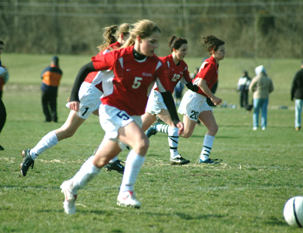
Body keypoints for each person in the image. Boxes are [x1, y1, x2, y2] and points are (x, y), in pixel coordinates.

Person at [59, 19, 184, 214]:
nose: (156, 46)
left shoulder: (156, 65)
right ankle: (125, 192)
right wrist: (75, 95)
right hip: (111, 110)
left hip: (132, 116)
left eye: (157, 42)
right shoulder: (118, 56)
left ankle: (71, 187)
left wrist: (175, 119)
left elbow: (166, 93)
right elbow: (86, 68)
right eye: (152, 41)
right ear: (139, 39)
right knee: (141, 143)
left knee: (100, 160)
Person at [20, 24, 131, 177]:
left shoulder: (123, 51)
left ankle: (111, 158)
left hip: (96, 94)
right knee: (68, 130)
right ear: (122, 36)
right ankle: (31, 154)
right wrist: (76, 95)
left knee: (120, 123)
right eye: (131, 37)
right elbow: (88, 70)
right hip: (92, 93)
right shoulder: (114, 51)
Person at [142, 36, 200, 165]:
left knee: (139, 127)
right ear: (174, 49)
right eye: (183, 50)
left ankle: (106, 151)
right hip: (157, 96)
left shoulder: (183, 66)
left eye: (186, 50)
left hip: (166, 99)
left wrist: (202, 89)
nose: (185, 53)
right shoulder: (163, 62)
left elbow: (189, 84)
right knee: (174, 125)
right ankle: (174, 156)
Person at [249, 65, 274, 130]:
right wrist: (267, 92)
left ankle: (255, 125)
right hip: (266, 96)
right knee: (264, 111)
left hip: (257, 96)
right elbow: (271, 89)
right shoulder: (268, 79)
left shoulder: (256, 78)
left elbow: (251, 87)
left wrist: (254, 92)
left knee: (256, 111)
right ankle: (264, 126)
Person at [41, 56, 63, 122]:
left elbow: (41, 76)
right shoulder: (60, 71)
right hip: (54, 90)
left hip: (46, 89)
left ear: (52, 61)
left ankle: (48, 118)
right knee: (53, 105)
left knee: (44, 104)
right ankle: (54, 118)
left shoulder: (47, 69)